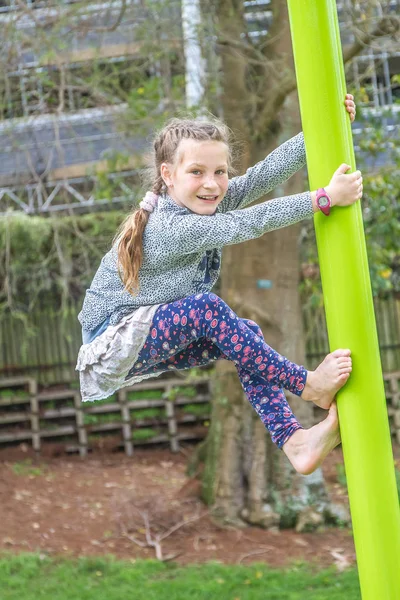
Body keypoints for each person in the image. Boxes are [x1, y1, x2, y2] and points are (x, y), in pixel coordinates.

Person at [76, 95, 360, 475]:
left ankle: (294, 442)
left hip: (144, 335)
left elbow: (262, 176)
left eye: (220, 172)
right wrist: (323, 198)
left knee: (247, 336)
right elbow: (248, 223)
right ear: (167, 174)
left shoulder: (201, 202)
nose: (212, 184)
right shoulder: (172, 226)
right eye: (197, 172)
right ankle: (307, 385)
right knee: (207, 309)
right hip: (110, 342)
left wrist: (320, 131)